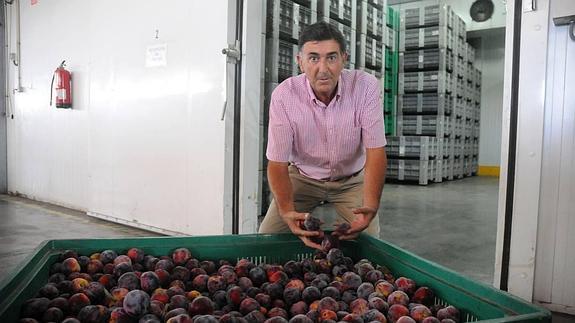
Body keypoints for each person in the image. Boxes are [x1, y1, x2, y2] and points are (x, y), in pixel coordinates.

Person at [259, 21, 387, 250]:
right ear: (300, 61)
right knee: (269, 237)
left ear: (344, 58)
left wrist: (371, 205)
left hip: (352, 179)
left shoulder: (365, 87)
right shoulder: (284, 96)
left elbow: (376, 151)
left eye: (331, 57)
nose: (323, 68)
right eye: (313, 58)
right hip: (303, 176)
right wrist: (287, 210)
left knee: (369, 242)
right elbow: (277, 163)